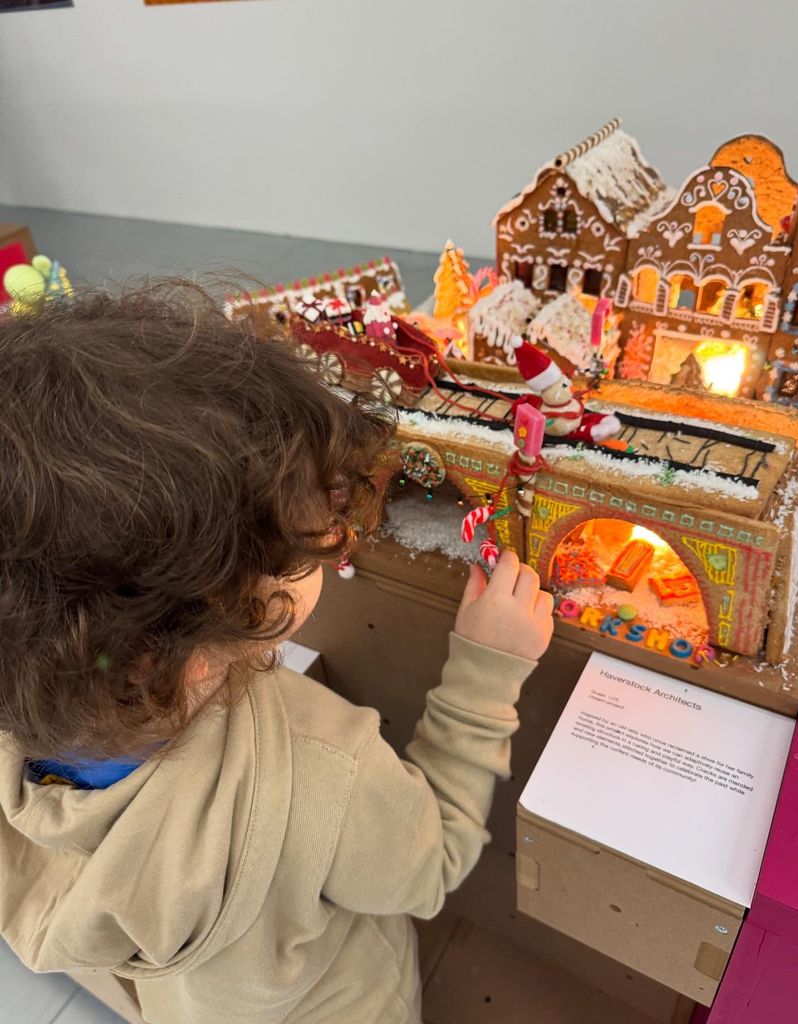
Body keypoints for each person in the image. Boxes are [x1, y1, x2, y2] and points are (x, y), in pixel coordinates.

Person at [0, 282, 553, 1024]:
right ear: (185, 648)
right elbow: (431, 864)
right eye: (305, 544)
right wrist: (486, 673)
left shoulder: (23, 707)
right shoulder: (323, 767)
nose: (336, 539)